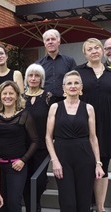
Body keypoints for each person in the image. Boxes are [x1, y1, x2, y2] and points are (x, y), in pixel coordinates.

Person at [45, 70, 104, 212]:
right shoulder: (55, 107)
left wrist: (98, 163)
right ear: (64, 87)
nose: (73, 86)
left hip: (85, 157)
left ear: (81, 87)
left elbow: (93, 137)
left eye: (76, 83)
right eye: (69, 83)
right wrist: (55, 161)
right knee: (68, 203)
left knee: (83, 202)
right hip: (63, 157)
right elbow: (48, 137)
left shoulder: (89, 108)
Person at [74, 38, 111, 212]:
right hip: (83, 126)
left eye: (97, 47)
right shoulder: (77, 72)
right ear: (85, 53)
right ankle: (85, 205)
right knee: (85, 165)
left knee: (102, 165)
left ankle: (101, 207)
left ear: (102, 51)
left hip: (107, 126)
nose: (94, 51)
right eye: (90, 49)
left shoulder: (110, 72)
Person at [0, 81, 38, 212]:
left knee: (14, 203)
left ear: (17, 96)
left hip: (17, 167)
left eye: (11, 93)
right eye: (4, 93)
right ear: (0, 96)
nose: (8, 96)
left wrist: (23, 160)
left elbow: (35, 141)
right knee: (1, 204)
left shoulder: (24, 115)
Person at [22, 63, 53, 212]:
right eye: (30, 75)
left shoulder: (48, 96)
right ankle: (32, 209)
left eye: (37, 76)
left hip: (42, 148)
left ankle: (36, 205)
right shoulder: (20, 98)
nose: (33, 78)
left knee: (40, 181)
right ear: (26, 78)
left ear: (42, 79)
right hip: (22, 148)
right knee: (25, 182)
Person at [36, 29, 76, 103]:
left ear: (59, 41)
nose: (50, 42)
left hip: (65, 101)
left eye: (53, 39)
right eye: (47, 40)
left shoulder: (69, 61)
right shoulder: (38, 64)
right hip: (44, 102)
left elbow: (75, 81)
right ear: (44, 43)